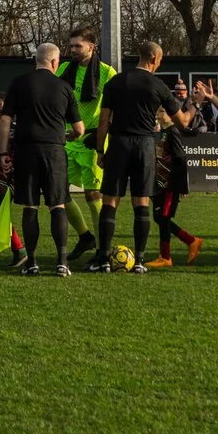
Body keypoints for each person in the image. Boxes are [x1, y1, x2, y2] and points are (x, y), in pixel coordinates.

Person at [84, 41, 175, 273]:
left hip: (119, 144)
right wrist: (196, 104)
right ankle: (141, 261)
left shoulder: (116, 82)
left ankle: (104, 258)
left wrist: (100, 151)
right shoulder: (158, 85)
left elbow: (104, 120)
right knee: (141, 201)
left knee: (110, 200)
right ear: (154, 58)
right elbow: (181, 121)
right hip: (144, 146)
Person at [0, 42, 82, 276]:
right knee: (57, 205)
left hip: (26, 150)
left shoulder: (19, 83)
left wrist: (4, 152)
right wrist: (69, 135)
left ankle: (32, 262)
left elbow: (5, 120)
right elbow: (80, 128)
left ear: (37, 60)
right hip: (54, 151)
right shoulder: (64, 88)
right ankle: (62, 262)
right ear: (55, 62)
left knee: (31, 206)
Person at [56, 28, 117, 263]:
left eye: (77, 46)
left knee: (93, 194)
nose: (72, 50)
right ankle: (85, 236)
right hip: (68, 140)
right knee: (58, 191)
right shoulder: (63, 70)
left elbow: (115, 107)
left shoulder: (106, 72)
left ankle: (104, 246)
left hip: (93, 140)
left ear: (91, 46)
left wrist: (103, 133)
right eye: (71, 46)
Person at [147, 95, 201, 267]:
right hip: (160, 183)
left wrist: (182, 187)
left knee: (163, 217)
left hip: (170, 185)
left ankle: (166, 257)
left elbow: (180, 159)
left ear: (171, 114)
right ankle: (191, 241)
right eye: (158, 111)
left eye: (162, 111)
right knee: (159, 217)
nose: (158, 114)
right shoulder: (162, 132)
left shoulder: (172, 132)